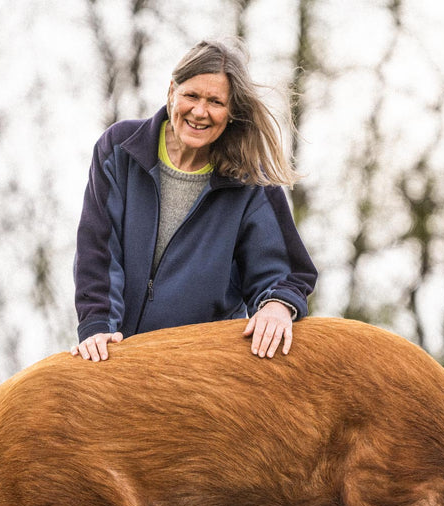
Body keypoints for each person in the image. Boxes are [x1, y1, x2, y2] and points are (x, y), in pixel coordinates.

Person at [70, 38, 317, 362]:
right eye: (191, 95)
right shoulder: (119, 149)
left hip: (203, 368)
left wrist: (276, 306)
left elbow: (284, 271)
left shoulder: (249, 182)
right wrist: (98, 326)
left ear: (231, 112)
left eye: (215, 101)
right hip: (119, 356)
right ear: (172, 90)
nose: (200, 112)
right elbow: (98, 249)